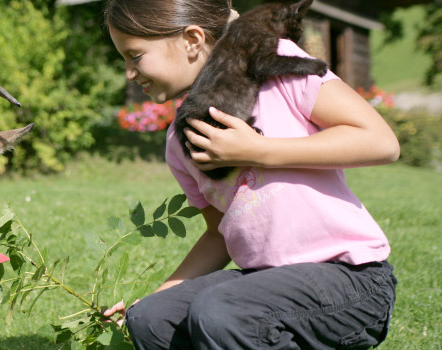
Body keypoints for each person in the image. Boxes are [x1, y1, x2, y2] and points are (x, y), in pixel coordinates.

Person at [101, 0, 400, 349]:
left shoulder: (276, 63)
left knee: (220, 312)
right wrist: (155, 297)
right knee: (151, 320)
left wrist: (258, 151)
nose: (130, 73)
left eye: (135, 56)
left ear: (192, 40)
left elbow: (381, 142)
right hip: (261, 285)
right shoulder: (181, 140)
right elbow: (218, 234)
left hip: (349, 280)